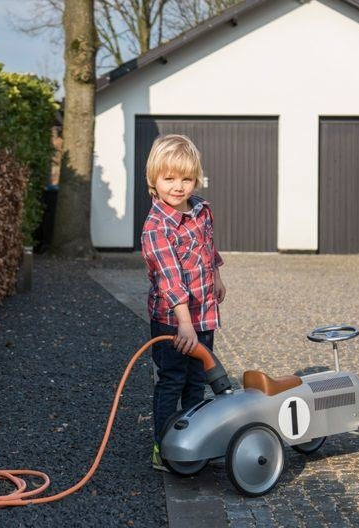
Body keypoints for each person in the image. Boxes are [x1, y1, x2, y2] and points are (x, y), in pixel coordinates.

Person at [140, 134, 226, 471]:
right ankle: (164, 447)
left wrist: (216, 275)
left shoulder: (202, 210)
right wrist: (184, 323)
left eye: (186, 179)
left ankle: (195, 442)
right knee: (172, 380)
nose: (178, 187)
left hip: (203, 317)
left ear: (196, 178)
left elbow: (208, 247)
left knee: (197, 381)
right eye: (169, 178)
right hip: (174, 322)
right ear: (154, 180)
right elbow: (169, 279)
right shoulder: (156, 227)